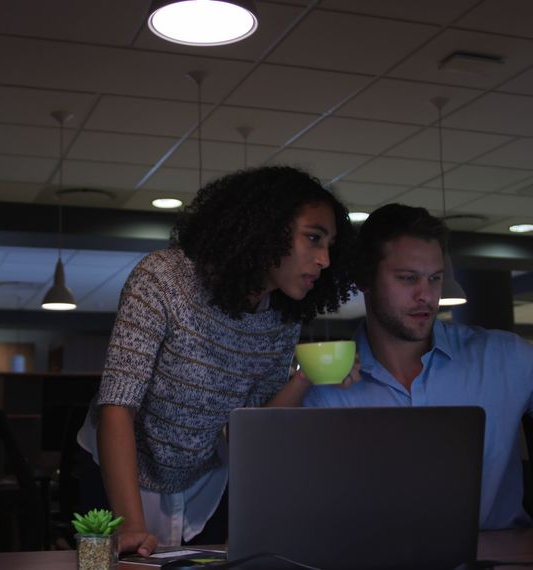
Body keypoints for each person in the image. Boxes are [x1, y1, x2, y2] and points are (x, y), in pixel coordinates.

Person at [75, 166, 356, 555]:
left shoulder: (282, 317)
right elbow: (117, 407)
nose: (325, 259)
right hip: (115, 475)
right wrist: (132, 527)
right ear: (264, 229)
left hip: (202, 482)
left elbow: (251, 430)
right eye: (313, 238)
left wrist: (305, 376)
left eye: (330, 245)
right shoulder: (163, 279)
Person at [303, 204, 533, 530]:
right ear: (366, 280)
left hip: (496, 559)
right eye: (407, 278)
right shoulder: (324, 390)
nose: (426, 296)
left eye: (434, 279)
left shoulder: (506, 358)